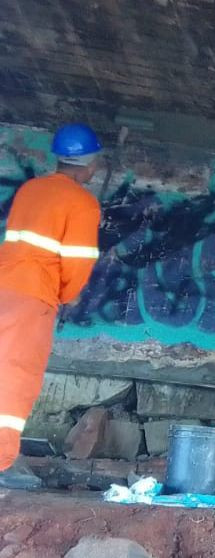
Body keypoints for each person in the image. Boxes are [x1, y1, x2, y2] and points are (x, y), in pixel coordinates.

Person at [0, 123, 105, 490]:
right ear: (89, 164)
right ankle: (2, 462)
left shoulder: (32, 189)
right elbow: (78, 259)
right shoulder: (82, 203)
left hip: (3, 285)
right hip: (33, 296)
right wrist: (68, 294)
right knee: (15, 376)